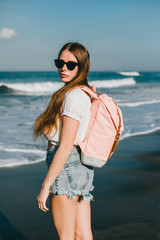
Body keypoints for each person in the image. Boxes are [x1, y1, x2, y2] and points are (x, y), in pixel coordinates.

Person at [33, 42, 96, 240]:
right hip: (81, 167)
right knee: (82, 234)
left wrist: (45, 187)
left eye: (70, 64)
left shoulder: (73, 95)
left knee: (67, 235)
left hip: (66, 166)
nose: (63, 68)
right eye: (60, 63)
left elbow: (66, 145)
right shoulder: (84, 92)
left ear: (82, 66)